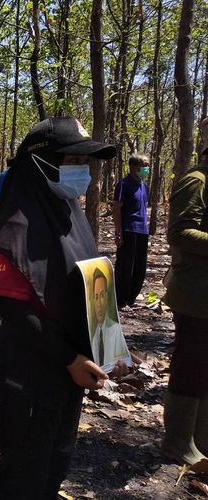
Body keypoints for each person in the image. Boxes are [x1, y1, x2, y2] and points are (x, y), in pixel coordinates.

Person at [0, 117, 132, 499]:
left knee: (55, 463)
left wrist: (109, 350)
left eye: (85, 163)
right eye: (72, 161)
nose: (82, 172)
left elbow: (90, 289)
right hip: (32, 372)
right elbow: (13, 309)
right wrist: (68, 356)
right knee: (25, 471)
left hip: (71, 372)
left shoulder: (70, 214)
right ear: (42, 162)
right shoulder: (17, 226)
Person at [160, 117, 208, 473]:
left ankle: (201, 437)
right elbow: (178, 233)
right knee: (191, 363)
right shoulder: (196, 181)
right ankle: (177, 440)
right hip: (195, 294)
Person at [113, 153, 150, 311]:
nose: (147, 169)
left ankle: (131, 298)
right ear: (135, 167)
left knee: (140, 266)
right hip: (129, 229)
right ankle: (120, 300)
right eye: (144, 166)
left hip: (143, 230)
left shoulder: (143, 184)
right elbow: (116, 208)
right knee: (126, 265)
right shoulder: (123, 184)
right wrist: (118, 230)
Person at [89, 269, 129, 368]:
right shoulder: (93, 334)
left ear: (107, 296)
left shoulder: (114, 330)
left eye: (102, 295)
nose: (98, 304)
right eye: (96, 296)